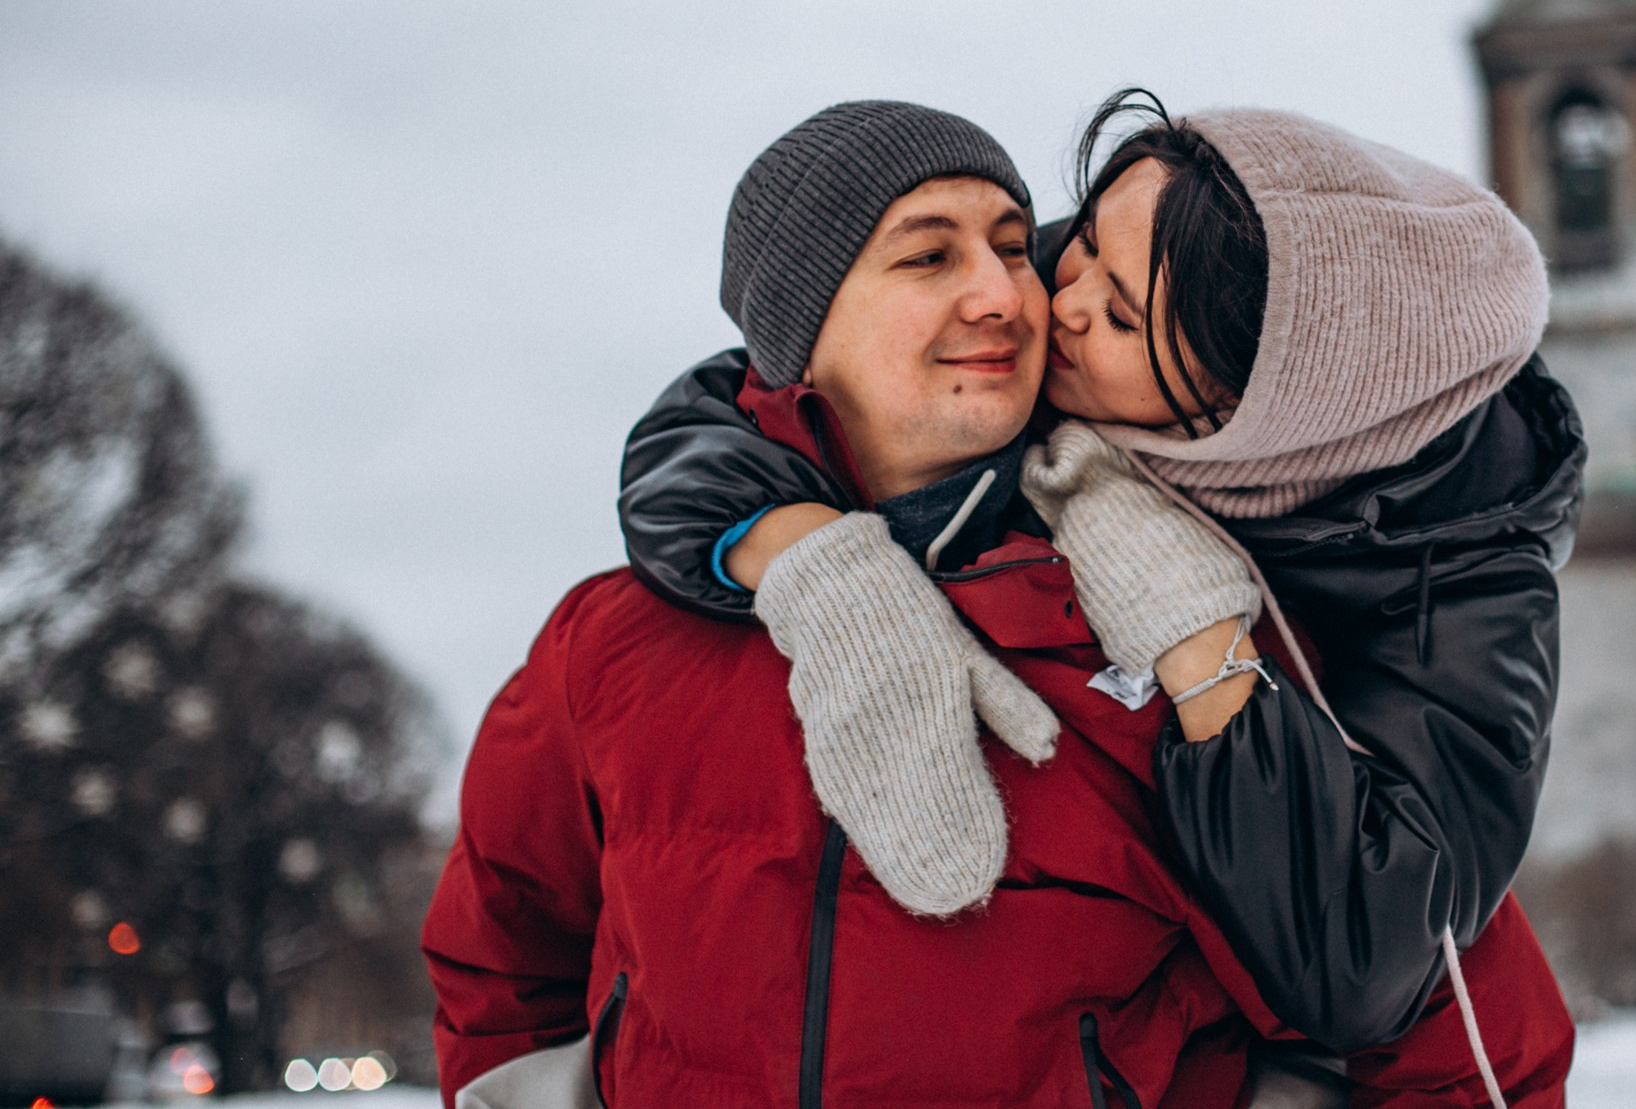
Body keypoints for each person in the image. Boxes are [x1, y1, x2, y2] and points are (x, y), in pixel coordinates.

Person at [425, 101, 1572, 1108]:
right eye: (929, 256)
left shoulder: (1196, 638)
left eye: (1017, 247)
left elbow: (1457, 1029)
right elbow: (500, 957)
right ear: (801, 328)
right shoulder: (615, 640)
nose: (1012, 295)